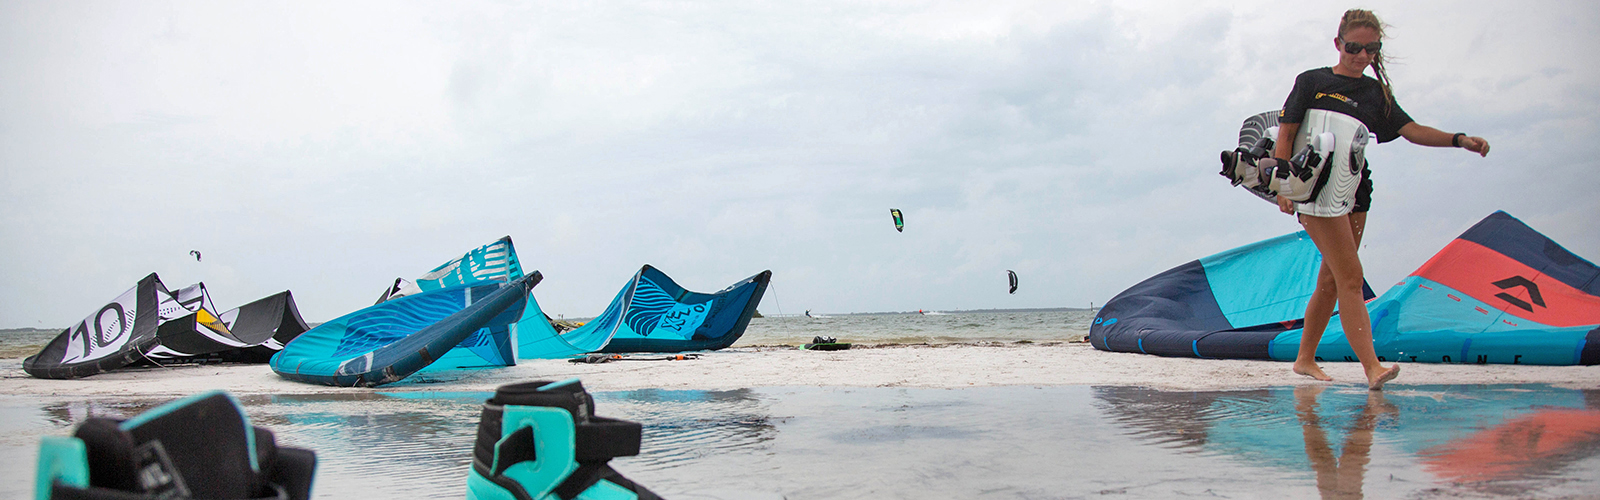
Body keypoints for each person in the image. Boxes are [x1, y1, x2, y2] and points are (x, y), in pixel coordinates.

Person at [1273, 9, 1490, 390]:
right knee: (1352, 278)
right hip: (1315, 190)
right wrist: (1281, 186)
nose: (1361, 55)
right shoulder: (1312, 82)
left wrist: (1459, 139)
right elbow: (1287, 134)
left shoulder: (1375, 94)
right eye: (1354, 47)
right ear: (1338, 43)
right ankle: (1372, 367)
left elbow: (1412, 130)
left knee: (1332, 279)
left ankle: (1304, 359)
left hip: (1356, 189)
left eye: (1370, 49)